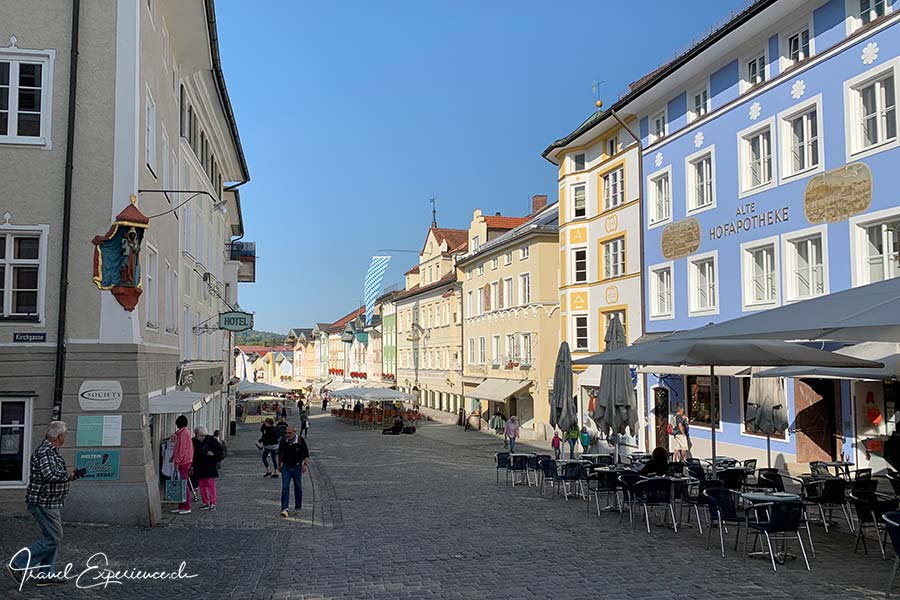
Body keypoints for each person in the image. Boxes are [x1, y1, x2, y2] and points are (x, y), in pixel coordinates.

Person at [7, 421, 79, 587]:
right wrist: (69, 475)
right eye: (65, 434)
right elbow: (49, 475)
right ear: (59, 436)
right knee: (54, 537)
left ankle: (46, 574)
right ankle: (19, 564)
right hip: (43, 502)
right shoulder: (45, 451)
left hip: (51, 501)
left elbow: (54, 473)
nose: (66, 437)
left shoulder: (51, 451)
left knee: (51, 537)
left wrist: (72, 475)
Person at [278, 425, 310, 518]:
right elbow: (280, 454)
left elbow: (306, 454)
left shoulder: (300, 440)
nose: (287, 435)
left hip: (297, 467)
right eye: (286, 433)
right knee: (285, 487)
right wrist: (279, 465)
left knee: (298, 488)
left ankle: (298, 507)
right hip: (286, 467)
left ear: (294, 432)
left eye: (289, 433)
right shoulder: (283, 441)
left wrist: (305, 465)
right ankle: (284, 508)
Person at [192, 426, 224, 510]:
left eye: (197, 434)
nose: (195, 436)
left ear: (201, 434)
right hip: (199, 466)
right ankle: (205, 502)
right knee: (202, 485)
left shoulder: (212, 440)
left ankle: (213, 503)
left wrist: (213, 454)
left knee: (210, 484)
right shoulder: (194, 441)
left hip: (210, 466)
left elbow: (220, 452)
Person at [171, 415, 194, 514]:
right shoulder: (184, 433)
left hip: (183, 462)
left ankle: (187, 506)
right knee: (181, 484)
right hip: (186, 460)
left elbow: (181, 450)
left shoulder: (183, 433)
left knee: (183, 484)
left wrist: (177, 461)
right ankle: (181, 505)